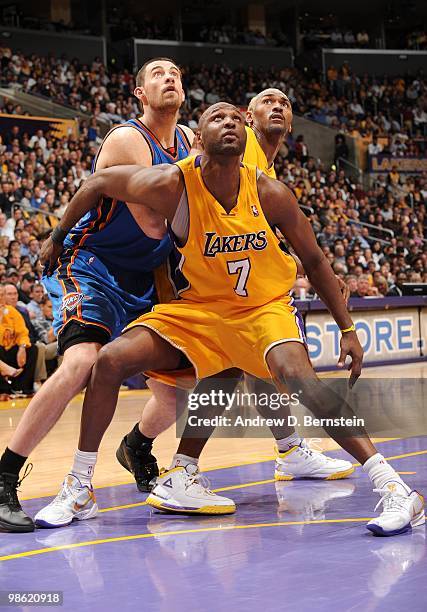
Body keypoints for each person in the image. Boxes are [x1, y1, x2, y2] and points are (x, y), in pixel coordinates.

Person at [36, 102, 424, 536]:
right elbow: (99, 182)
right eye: (218, 118)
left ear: (245, 138)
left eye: (236, 119)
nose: (230, 123)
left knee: (299, 380)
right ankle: (81, 487)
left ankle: (394, 488)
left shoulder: (268, 192)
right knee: (108, 361)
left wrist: (347, 328)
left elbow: (314, 260)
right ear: (197, 140)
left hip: (264, 308)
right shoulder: (173, 184)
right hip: (203, 311)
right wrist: (56, 237)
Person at [127, 89, 353, 501]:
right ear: (249, 117)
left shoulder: (261, 164)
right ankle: (161, 455)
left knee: (245, 372)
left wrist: (313, 267)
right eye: (268, 102)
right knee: (215, 379)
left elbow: (250, 236)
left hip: (230, 286)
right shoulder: (239, 152)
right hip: (195, 285)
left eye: (285, 102)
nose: (278, 107)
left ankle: (284, 449)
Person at [0, 57, 193, 533]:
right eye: (157, 74)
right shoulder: (129, 139)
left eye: (175, 73)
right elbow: (155, 222)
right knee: (83, 362)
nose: (168, 77)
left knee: (179, 387)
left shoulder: (189, 140)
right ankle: (4, 476)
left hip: (143, 279)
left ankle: (137, 445)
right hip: (90, 264)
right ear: (139, 94)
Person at [0, 284, 37, 396]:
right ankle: (4, 389)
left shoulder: (11, 311)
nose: (0, 298)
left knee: (32, 349)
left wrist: (22, 347)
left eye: (1, 295)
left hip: (10, 349)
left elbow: (22, 332)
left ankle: (21, 388)